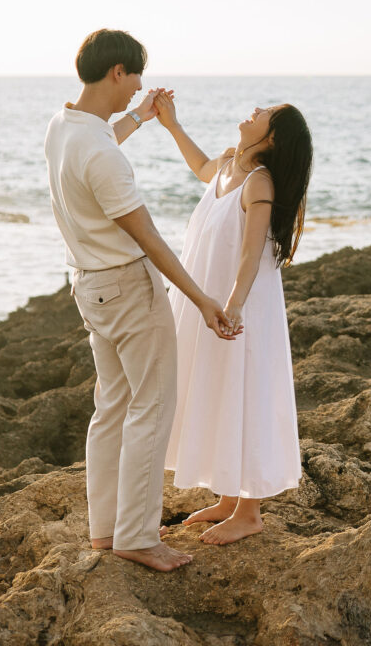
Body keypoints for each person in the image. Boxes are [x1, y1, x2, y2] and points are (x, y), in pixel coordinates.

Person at [44, 29, 241, 573]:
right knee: (151, 408)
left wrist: (143, 119)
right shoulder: (100, 153)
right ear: (117, 73)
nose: (138, 88)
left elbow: (102, 141)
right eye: (135, 78)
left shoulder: (64, 127)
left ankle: (105, 531)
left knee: (111, 407)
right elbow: (149, 238)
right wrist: (201, 298)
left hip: (89, 285)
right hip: (128, 288)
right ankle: (137, 535)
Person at [157, 91, 313, 545]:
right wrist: (171, 124)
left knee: (247, 391)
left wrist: (235, 304)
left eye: (266, 114)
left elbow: (250, 253)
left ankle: (249, 512)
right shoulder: (229, 166)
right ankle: (228, 498)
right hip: (211, 298)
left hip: (244, 304)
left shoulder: (259, 183)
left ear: (272, 138)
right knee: (220, 386)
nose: (256, 110)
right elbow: (203, 169)